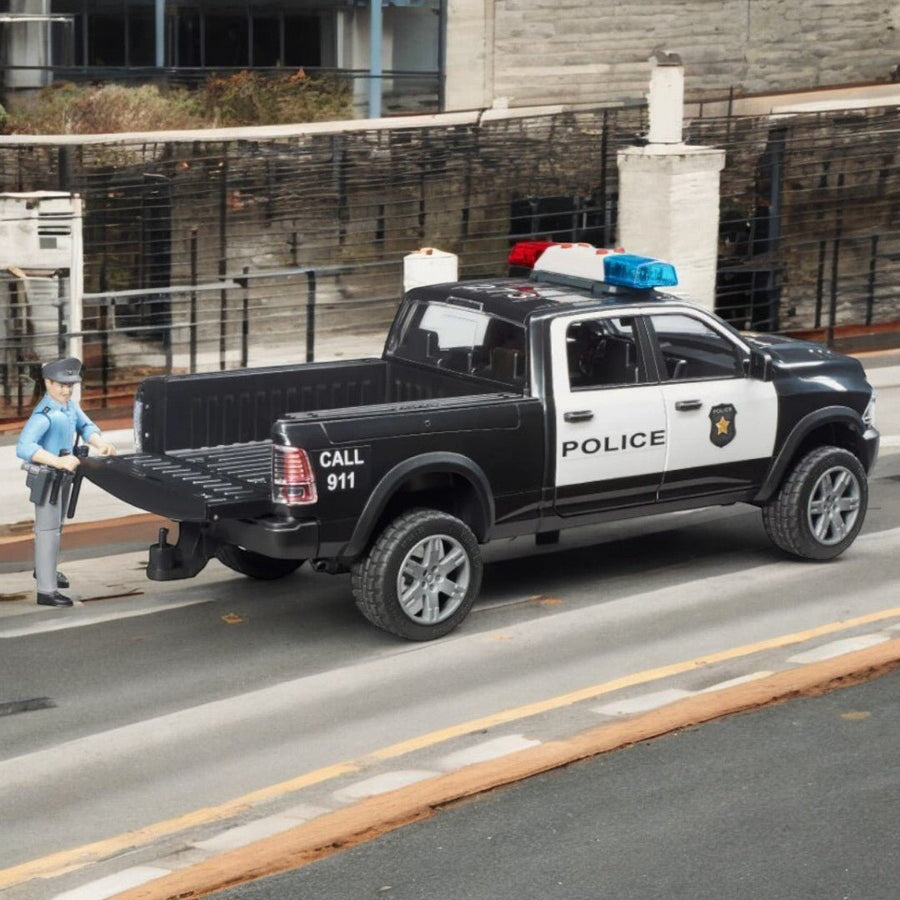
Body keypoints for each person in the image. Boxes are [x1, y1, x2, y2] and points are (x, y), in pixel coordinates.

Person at [16, 357, 117, 607]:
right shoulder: (45, 414)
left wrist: (99, 443)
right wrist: (57, 462)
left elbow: (85, 426)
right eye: (61, 385)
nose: (66, 390)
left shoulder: (70, 407)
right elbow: (24, 447)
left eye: (70, 385)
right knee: (47, 531)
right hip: (48, 477)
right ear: (48, 383)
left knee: (57, 527)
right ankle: (46, 590)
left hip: (64, 476)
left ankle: (45, 569)